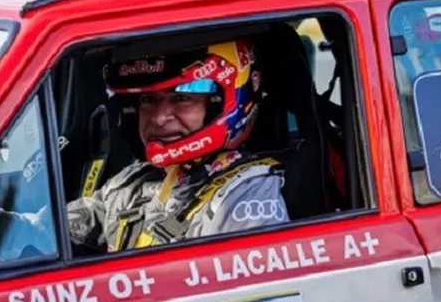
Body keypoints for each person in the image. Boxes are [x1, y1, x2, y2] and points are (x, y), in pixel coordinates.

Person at [67, 39, 289, 252]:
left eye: (182, 98)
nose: (159, 118)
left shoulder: (248, 192)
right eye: (148, 100)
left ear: (218, 103)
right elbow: (57, 229)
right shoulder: (134, 182)